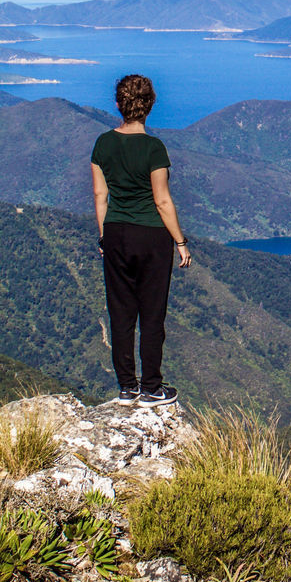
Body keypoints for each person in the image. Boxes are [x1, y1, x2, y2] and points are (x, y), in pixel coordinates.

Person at [91, 73, 190, 406]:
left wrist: (105, 236)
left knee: (120, 312)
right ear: (149, 106)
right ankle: (151, 388)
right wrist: (180, 242)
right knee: (151, 314)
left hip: (116, 233)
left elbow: (100, 194)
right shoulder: (153, 148)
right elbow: (162, 201)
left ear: (119, 104)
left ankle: (126, 386)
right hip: (151, 238)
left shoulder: (103, 143)